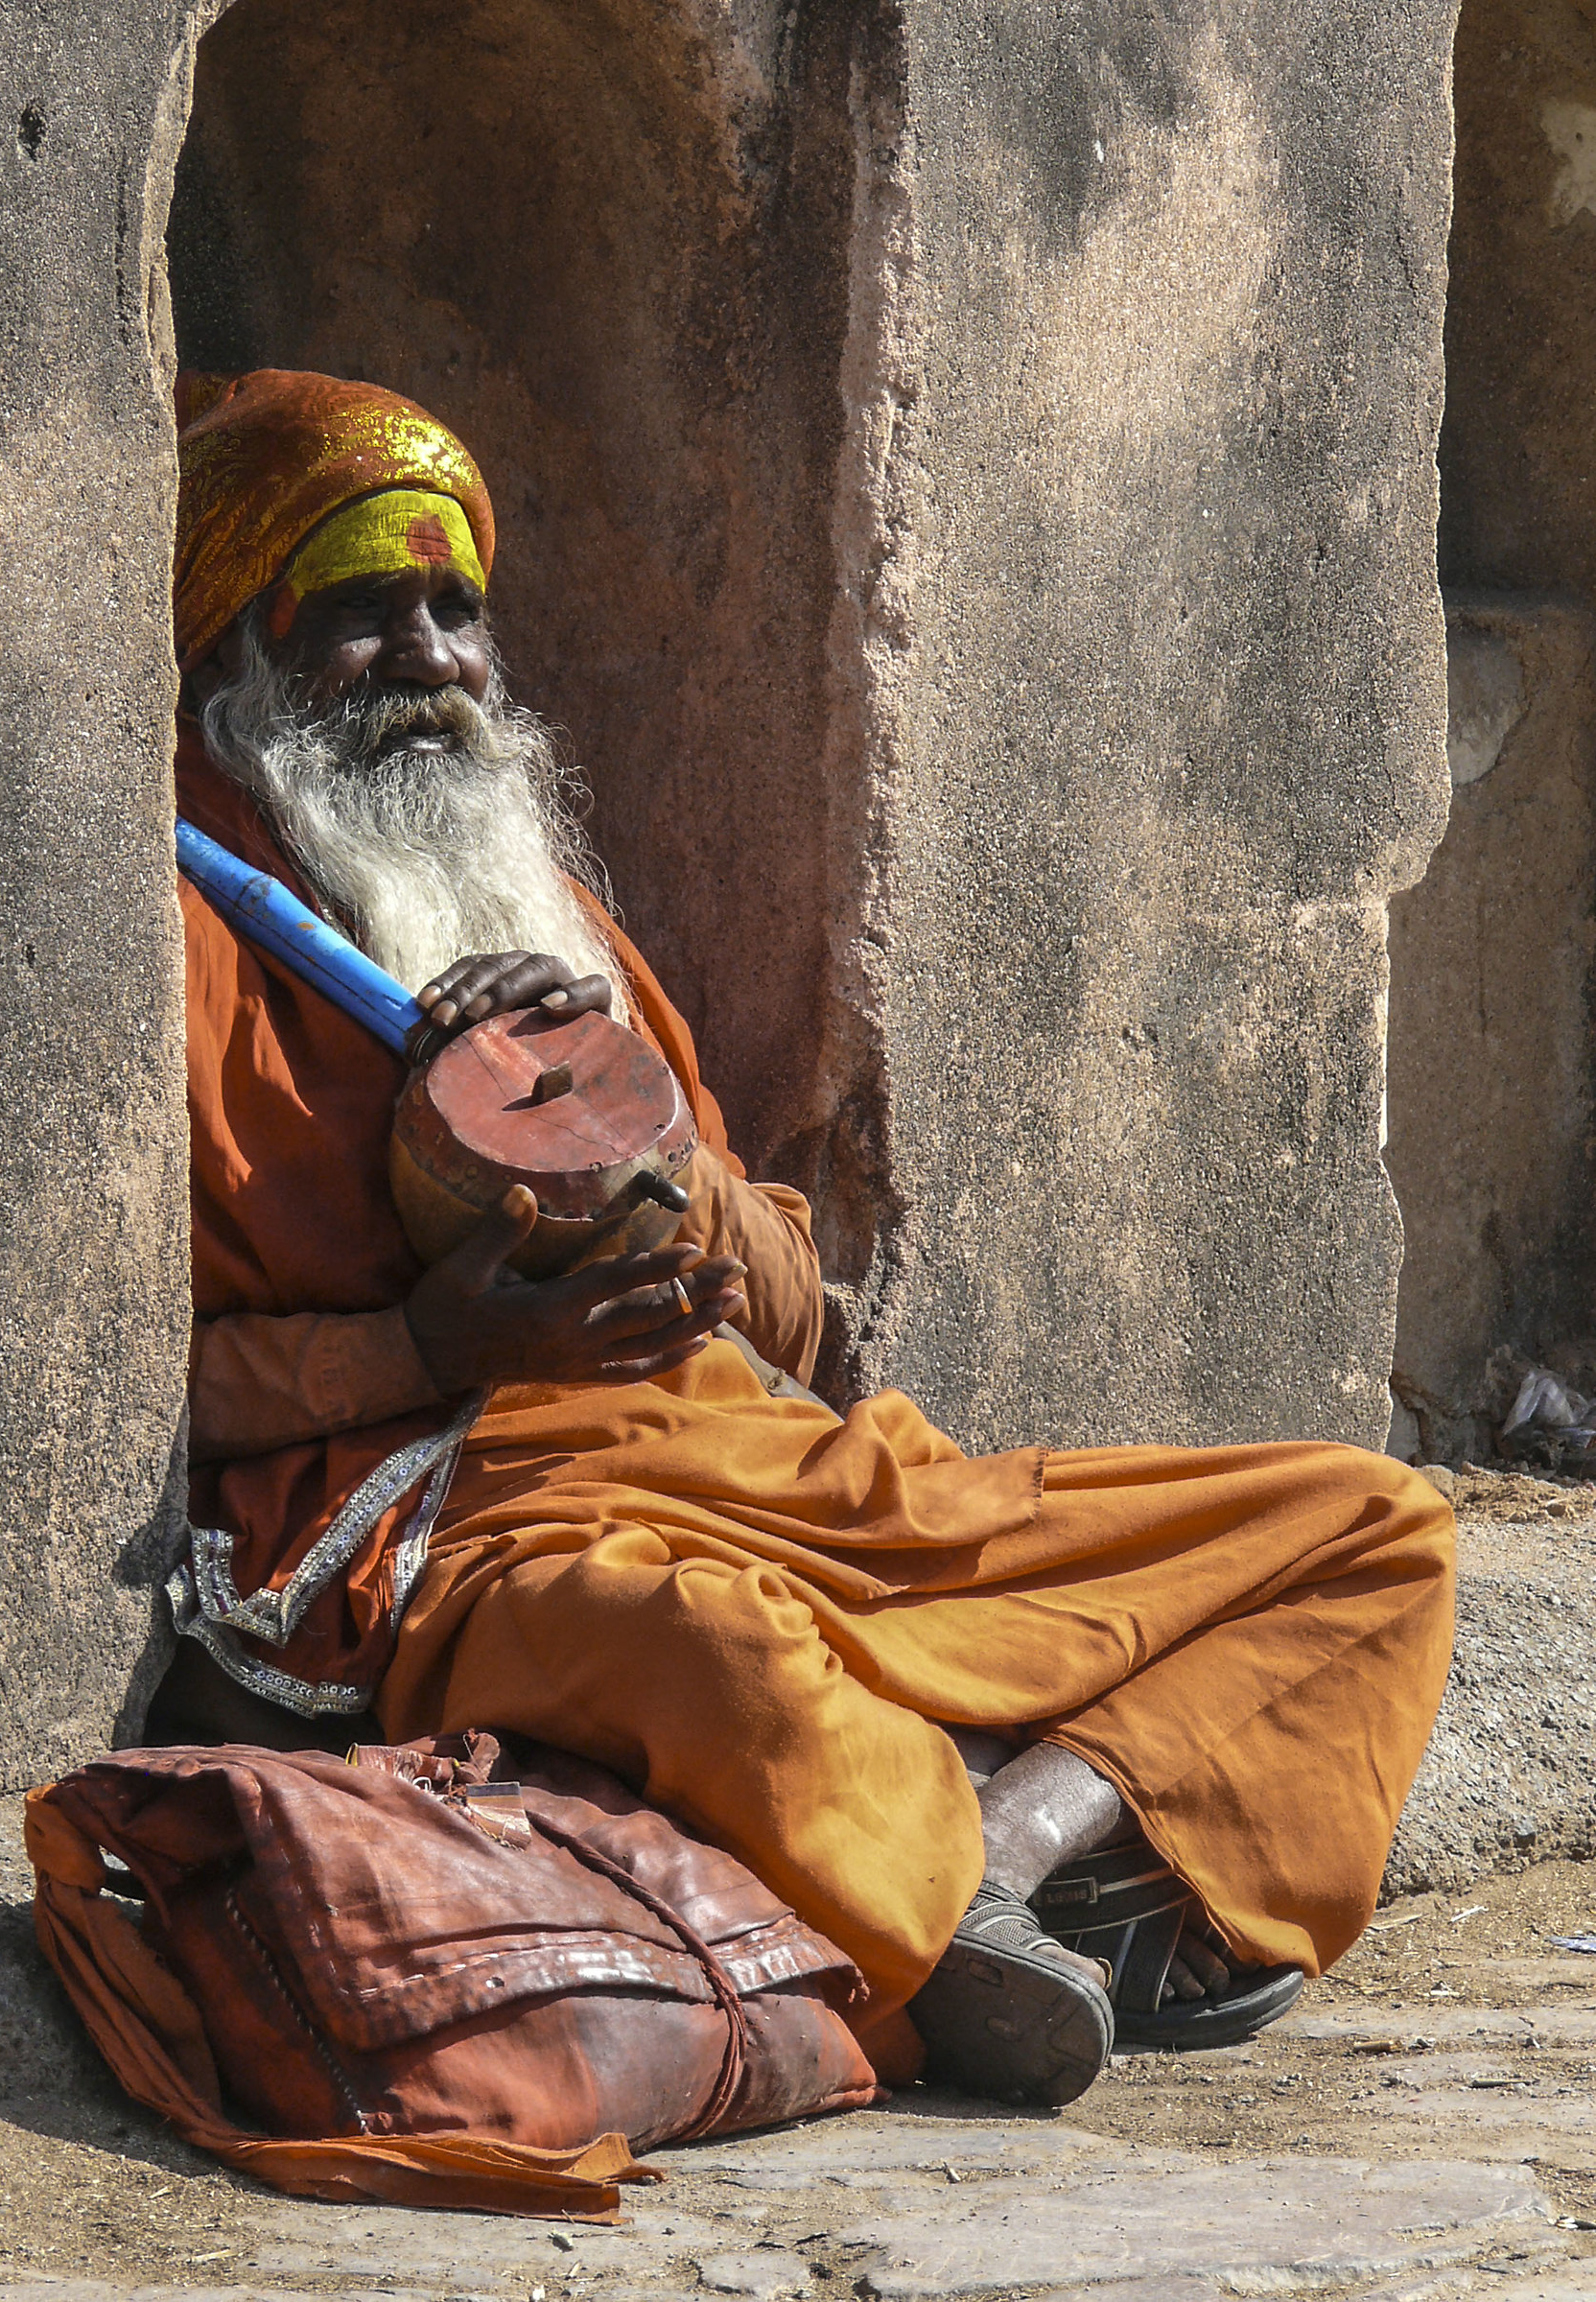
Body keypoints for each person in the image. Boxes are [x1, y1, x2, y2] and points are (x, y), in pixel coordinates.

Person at [154, 366, 1456, 2106]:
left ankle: (990, 1846)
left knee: (1364, 1523)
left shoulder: (541, 911)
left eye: (456, 611)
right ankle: (1013, 1863)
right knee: (719, 1659)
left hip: (769, 1471)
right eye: (359, 615)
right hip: (465, 1518)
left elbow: (796, 1316)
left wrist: (659, 1156)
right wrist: (433, 1351)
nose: (432, 662)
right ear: (233, 638)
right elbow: (126, 1397)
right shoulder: (172, 938)